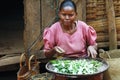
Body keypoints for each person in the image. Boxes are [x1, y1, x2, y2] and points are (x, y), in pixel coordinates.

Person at [43, 0, 102, 80]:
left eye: (71, 15)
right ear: (59, 14)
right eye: (64, 15)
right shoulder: (54, 29)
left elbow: (94, 44)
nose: (67, 18)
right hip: (63, 62)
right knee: (59, 77)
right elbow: (47, 54)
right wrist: (54, 50)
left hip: (83, 61)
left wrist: (92, 47)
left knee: (97, 75)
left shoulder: (83, 27)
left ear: (76, 15)